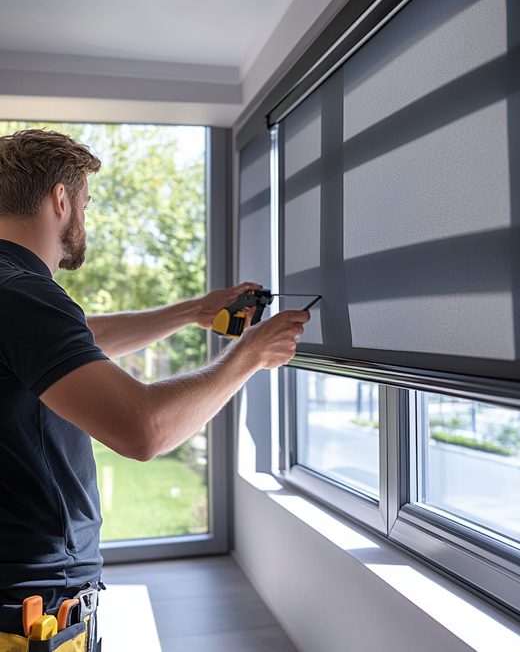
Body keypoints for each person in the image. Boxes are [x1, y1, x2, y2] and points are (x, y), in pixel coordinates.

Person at [0, 129, 309, 644]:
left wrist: (193, 311)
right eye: (86, 202)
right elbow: (145, 430)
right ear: (60, 199)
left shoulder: (11, 292)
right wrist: (250, 354)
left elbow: (72, 341)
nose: (85, 217)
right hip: (31, 610)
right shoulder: (24, 294)